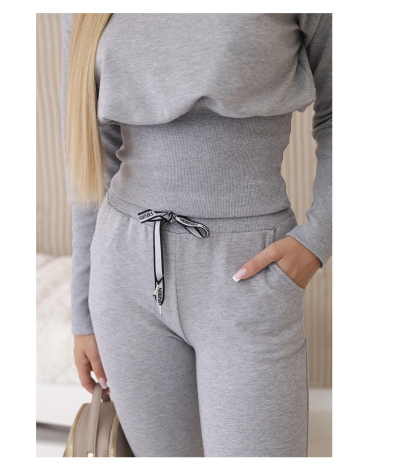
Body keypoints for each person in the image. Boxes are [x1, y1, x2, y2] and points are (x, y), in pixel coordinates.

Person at [61, 13, 332, 457]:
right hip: (124, 279)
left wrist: (317, 239)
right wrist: (83, 316)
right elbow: (92, 154)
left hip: (248, 275)